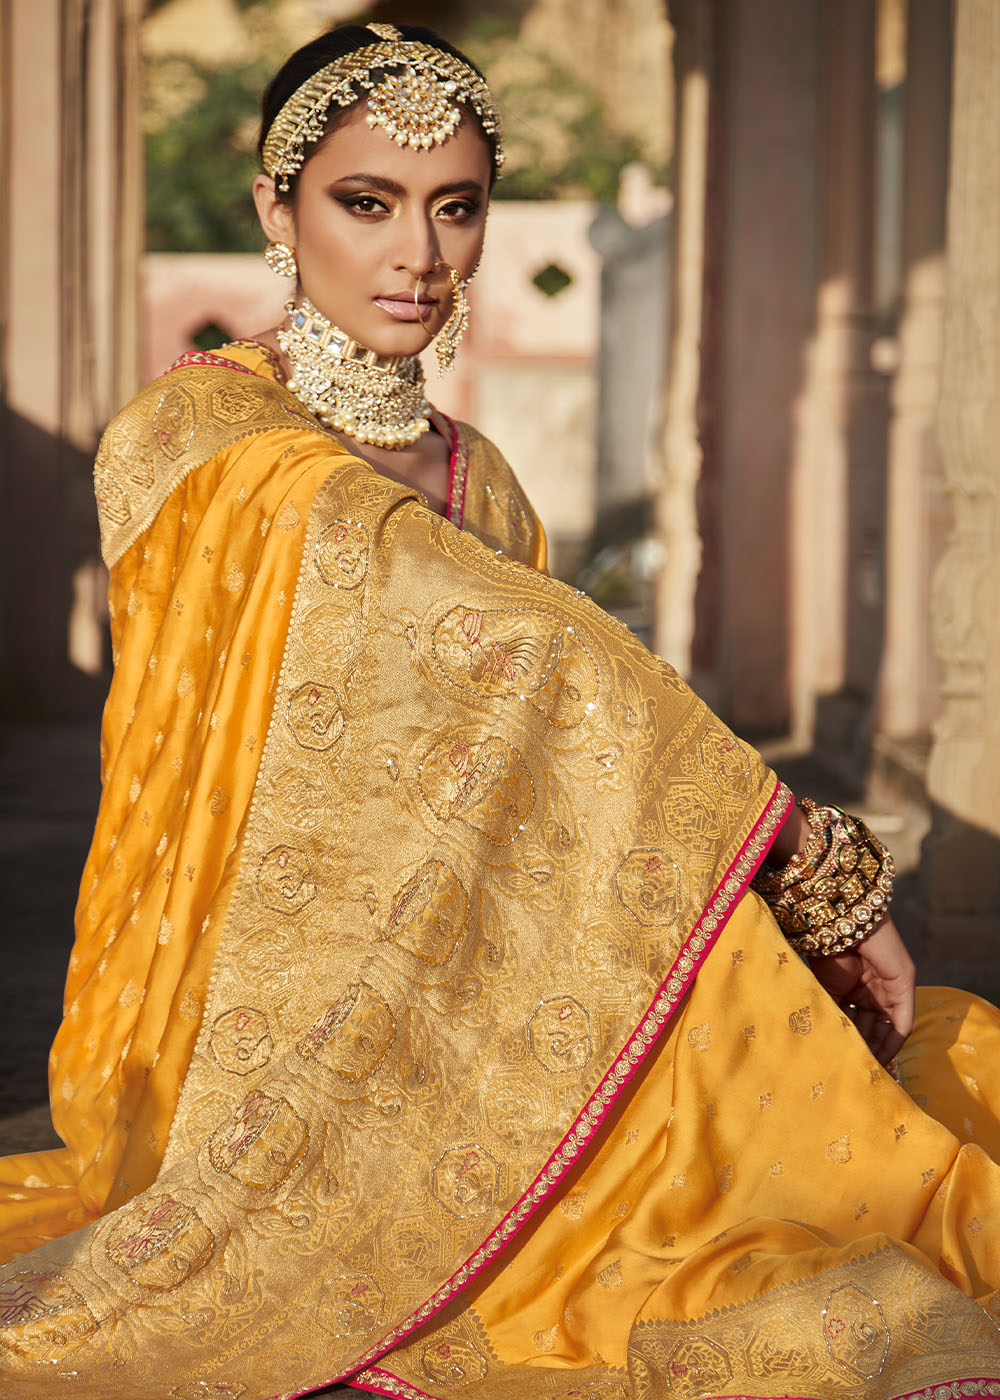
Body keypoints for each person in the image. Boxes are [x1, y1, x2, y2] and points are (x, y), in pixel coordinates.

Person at [0, 21, 998, 1399]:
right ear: (274, 212)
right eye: (367, 202)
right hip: (252, 1039)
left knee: (847, 1111)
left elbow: (553, 784)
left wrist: (744, 896)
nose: (419, 252)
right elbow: (520, 656)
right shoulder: (199, 441)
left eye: (455, 206)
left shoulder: (485, 479)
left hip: (474, 1002)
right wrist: (794, 840)